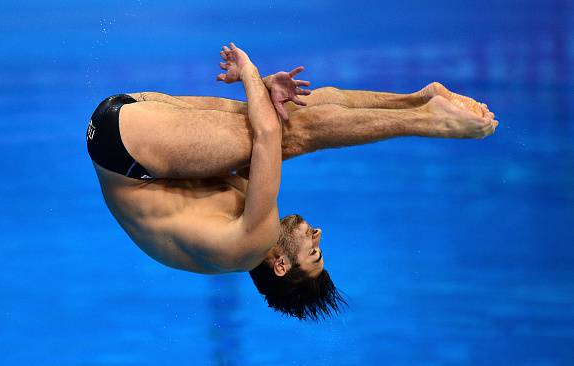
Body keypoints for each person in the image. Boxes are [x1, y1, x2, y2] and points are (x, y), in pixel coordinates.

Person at [86, 42, 498, 320]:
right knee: (298, 113)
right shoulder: (241, 231)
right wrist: (266, 93)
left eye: (314, 253)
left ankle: (435, 122)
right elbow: (261, 137)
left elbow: (269, 137)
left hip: (127, 147)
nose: (318, 234)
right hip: (128, 128)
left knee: (292, 133)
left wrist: (253, 76)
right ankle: (417, 99)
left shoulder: (251, 242)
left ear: (281, 265)